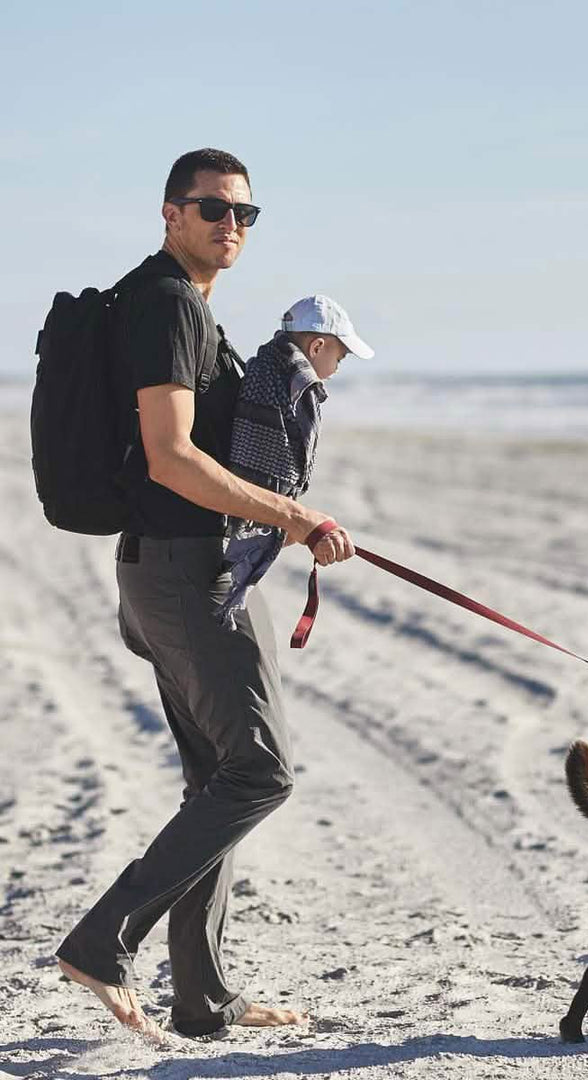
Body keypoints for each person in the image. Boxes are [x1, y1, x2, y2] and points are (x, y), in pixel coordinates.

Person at [55, 148, 355, 1044]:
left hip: (171, 569)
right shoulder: (168, 308)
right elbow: (172, 457)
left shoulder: (178, 306)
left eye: (245, 215)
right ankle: (103, 943)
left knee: (216, 782)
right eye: (213, 209)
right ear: (169, 213)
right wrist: (293, 516)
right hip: (190, 572)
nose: (231, 227)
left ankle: (204, 999)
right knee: (260, 772)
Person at [219, 295, 374, 630]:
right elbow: (258, 493)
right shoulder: (291, 387)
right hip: (221, 562)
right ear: (317, 347)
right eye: (340, 357)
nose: (337, 369)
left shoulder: (265, 372)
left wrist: (301, 526)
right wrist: (296, 522)